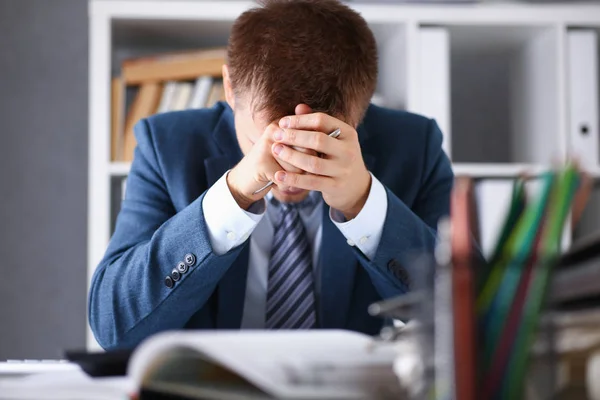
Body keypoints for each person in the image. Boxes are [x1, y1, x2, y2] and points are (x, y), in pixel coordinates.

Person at [89, 0, 454, 350]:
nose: (290, 178)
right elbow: (113, 325)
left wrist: (364, 203)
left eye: (317, 152)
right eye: (264, 143)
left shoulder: (415, 147)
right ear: (230, 88)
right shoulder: (167, 146)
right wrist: (231, 197)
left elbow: (472, 320)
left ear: (363, 109)